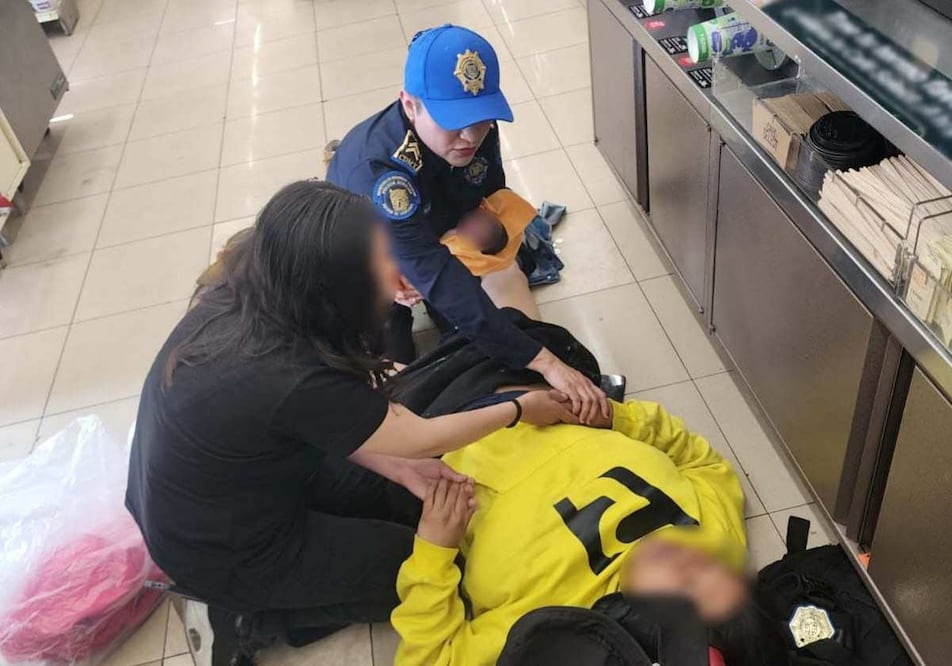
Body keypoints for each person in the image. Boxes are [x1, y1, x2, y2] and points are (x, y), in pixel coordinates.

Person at [124, 181, 577, 666]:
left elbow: (330, 423)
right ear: (334, 284)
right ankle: (252, 617)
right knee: (428, 570)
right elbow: (420, 437)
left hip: (230, 486)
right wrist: (520, 410)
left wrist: (398, 469)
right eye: (379, 261)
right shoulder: (286, 372)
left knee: (405, 495)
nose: (393, 269)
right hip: (222, 546)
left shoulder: (254, 287)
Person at [326, 24, 609, 424]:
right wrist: (544, 362)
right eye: (454, 120)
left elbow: (486, 192)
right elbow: (433, 271)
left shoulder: (475, 131)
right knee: (398, 376)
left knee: (473, 335)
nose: (471, 136)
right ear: (410, 104)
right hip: (368, 254)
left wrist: (478, 232)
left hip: (432, 234)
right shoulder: (379, 171)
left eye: (481, 119)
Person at [390, 397, 751, 666]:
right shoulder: (715, 553)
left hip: (440, 443)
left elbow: (431, 657)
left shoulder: (543, 631)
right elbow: (701, 461)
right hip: (544, 399)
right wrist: (612, 416)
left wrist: (434, 548)